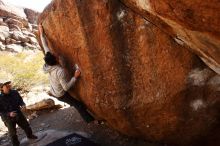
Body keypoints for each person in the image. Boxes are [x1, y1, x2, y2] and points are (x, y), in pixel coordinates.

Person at [38, 24, 95, 123]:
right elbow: (66, 88)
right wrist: (75, 77)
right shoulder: (60, 71)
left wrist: (41, 33)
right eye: (55, 55)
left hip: (54, 89)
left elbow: (45, 44)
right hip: (60, 94)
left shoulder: (48, 62)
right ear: (55, 60)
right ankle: (91, 120)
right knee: (79, 105)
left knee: (77, 103)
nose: (55, 53)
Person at [0, 81, 38, 146]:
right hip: (8, 118)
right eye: (6, 86)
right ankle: (16, 144)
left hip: (18, 113)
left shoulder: (14, 92)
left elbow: (20, 100)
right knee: (12, 133)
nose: (9, 86)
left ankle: (30, 135)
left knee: (26, 126)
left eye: (9, 85)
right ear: (1, 88)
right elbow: (1, 111)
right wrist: (9, 114)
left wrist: (23, 104)